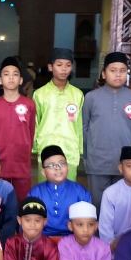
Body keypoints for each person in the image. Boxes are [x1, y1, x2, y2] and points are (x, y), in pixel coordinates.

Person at [83, 52, 131, 208]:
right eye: (113, 70)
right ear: (104, 73)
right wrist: (88, 155)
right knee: (97, 204)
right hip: (97, 161)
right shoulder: (91, 97)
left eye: (122, 71)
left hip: (123, 162)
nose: (118, 74)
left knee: (121, 204)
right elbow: (84, 127)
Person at [0, 56, 36, 201]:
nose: (11, 78)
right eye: (6, 74)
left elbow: (31, 131)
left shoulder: (29, 104)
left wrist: (26, 149)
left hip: (21, 160)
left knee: (22, 201)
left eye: (15, 74)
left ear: (21, 80)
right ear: (0, 80)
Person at [33, 48, 84, 181]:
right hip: (46, 147)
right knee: (46, 188)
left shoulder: (77, 94)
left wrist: (79, 148)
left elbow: (79, 124)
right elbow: (35, 122)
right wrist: (35, 147)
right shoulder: (39, 94)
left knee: (68, 188)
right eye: (59, 65)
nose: (64, 69)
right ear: (51, 67)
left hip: (70, 149)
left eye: (68, 65)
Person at [28, 145, 91, 237]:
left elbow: (88, 222)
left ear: (67, 167)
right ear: (43, 172)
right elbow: (28, 224)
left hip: (73, 239)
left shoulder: (80, 191)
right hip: (42, 238)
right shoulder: (35, 193)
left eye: (62, 163)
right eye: (51, 165)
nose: (57, 168)